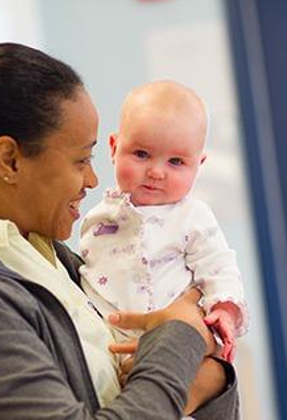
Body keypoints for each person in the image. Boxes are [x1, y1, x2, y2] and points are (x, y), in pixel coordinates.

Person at [0, 43, 239, 419]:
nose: (92, 180)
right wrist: (182, 339)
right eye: (81, 160)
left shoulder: (54, 260)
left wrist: (212, 378)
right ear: (9, 160)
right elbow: (172, 366)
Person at [80, 81, 248, 362]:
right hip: (106, 346)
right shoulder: (98, 217)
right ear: (114, 148)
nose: (156, 172)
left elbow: (220, 268)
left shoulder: (192, 216)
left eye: (175, 162)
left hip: (172, 346)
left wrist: (225, 311)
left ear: (198, 165)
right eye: (141, 154)